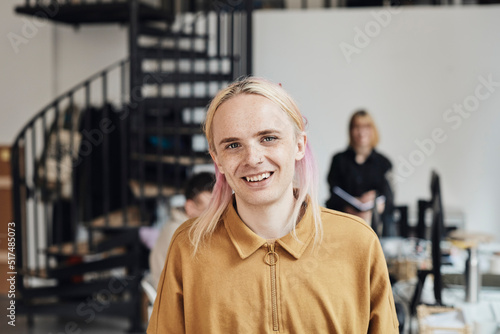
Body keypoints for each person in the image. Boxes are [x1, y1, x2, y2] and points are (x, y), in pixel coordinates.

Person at [147, 77, 398, 333]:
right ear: (217, 160)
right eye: (233, 145)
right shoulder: (189, 247)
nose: (253, 159)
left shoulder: (358, 242)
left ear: (299, 145)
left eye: (268, 138)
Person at [326, 110, 396, 237]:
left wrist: (375, 206)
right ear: (350, 131)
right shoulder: (339, 160)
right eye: (356, 127)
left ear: (373, 130)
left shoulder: (384, 162)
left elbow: (390, 198)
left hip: (375, 226)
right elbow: (333, 191)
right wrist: (350, 210)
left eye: (366, 127)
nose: (361, 132)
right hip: (344, 223)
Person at [149, 172, 215, 289]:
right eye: (208, 210)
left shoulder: (179, 226)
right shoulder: (182, 234)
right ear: (189, 207)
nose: (216, 216)